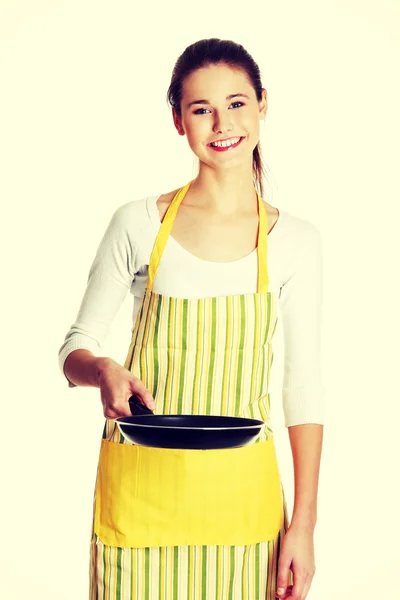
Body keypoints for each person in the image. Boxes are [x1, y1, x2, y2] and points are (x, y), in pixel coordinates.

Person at [58, 38, 325, 600]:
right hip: (142, 499)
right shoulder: (137, 224)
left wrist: (303, 526)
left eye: (236, 103)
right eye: (201, 108)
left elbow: (303, 388)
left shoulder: (295, 241)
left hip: (243, 510)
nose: (221, 122)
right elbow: (75, 348)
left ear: (263, 105)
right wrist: (103, 369)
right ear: (179, 120)